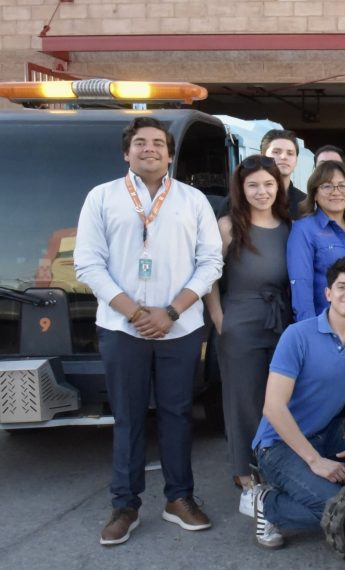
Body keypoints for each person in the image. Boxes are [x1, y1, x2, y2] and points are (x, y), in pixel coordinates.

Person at [75, 117, 224, 545]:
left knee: (178, 414)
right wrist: (134, 312)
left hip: (180, 327)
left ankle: (179, 498)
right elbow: (88, 262)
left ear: (170, 154)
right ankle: (125, 504)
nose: (149, 149)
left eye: (158, 143)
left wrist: (171, 312)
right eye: (140, 142)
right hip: (122, 328)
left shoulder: (193, 200)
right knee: (128, 416)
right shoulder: (101, 197)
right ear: (127, 152)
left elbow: (210, 262)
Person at [250, 256, 345, 549]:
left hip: (327, 432)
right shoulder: (297, 335)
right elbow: (273, 407)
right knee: (342, 509)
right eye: (342, 287)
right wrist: (315, 462)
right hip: (278, 444)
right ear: (328, 293)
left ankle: (333, 490)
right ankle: (268, 503)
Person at [203, 156, 292, 516]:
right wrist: (219, 318)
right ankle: (246, 477)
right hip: (240, 319)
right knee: (243, 400)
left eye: (268, 184)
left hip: (281, 320)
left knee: (279, 400)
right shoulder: (228, 226)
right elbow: (209, 275)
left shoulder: (288, 225)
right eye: (253, 185)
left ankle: (276, 470)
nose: (261, 191)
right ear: (241, 188)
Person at [286, 160, 345, 323]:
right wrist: (308, 329)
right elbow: (301, 283)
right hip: (326, 325)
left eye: (342, 185)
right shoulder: (304, 229)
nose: (336, 192)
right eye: (327, 186)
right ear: (315, 194)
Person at [260, 129, 307, 219]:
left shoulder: (304, 203)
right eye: (276, 152)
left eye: (290, 153)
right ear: (262, 156)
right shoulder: (246, 198)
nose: (284, 157)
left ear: (296, 160)